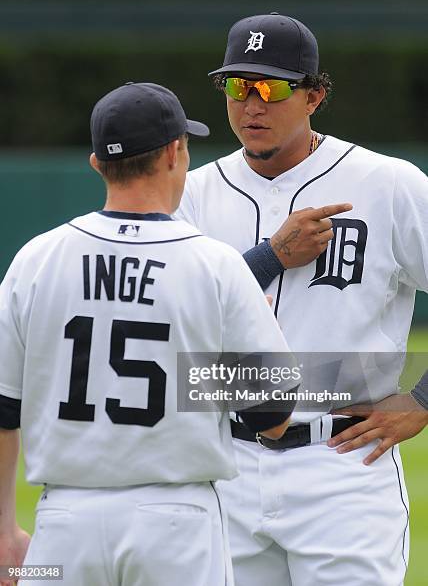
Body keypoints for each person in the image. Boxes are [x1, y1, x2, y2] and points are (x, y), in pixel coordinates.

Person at [0, 82, 298, 586]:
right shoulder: (216, 265)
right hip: (178, 526)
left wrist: (5, 533)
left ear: (97, 164)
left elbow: (4, 408)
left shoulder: (37, 258)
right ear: (175, 152)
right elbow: (272, 418)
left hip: (64, 526)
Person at [175, 13, 428, 585]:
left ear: (315, 95)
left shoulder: (387, 183)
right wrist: (269, 257)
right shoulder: (192, 192)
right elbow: (169, 316)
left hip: (342, 465)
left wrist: (422, 400)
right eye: (238, 86)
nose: (251, 104)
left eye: (271, 87)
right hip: (224, 464)